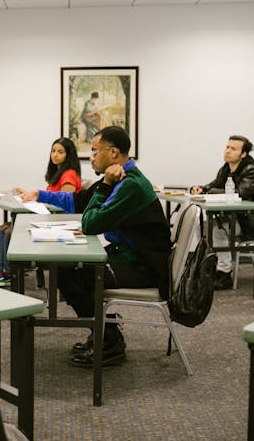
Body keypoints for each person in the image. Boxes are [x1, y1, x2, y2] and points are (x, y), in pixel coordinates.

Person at [16, 126, 171, 367]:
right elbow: (80, 201)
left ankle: (109, 341)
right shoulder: (123, 179)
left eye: (95, 151)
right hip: (129, 256)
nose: (91, 157)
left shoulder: (129, 185)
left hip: (142, 266)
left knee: (70, 274)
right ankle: (105, 332)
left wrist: (107, 184)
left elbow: (89, 223)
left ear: (113, 152)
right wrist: (40, 194)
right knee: (69, 271)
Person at [0, 137, 83, 285]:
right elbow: (51, 198)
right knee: (4, 227)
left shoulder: (69, 175)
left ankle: (7, 272)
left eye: (60, 152)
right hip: (50, 218)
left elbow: (64, 205)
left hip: (59, 222)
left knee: (9, 230)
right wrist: (29, 194)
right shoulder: (59, 173)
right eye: (53, 151)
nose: (55, 155)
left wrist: (36, 200)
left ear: (69, 155)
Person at [190, 135, 254, 290]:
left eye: (233, 149)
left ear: (243, 154)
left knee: (216, 228)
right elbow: (215, 185)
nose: (228, 151)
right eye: (227, 147)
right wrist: (201, 189)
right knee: (200, 224)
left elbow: (240, 193)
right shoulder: (227, 168)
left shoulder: (250, 169)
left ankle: (224, 273)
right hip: (233, 218)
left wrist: (212, 191)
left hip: (250, 221)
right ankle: (209, 265)